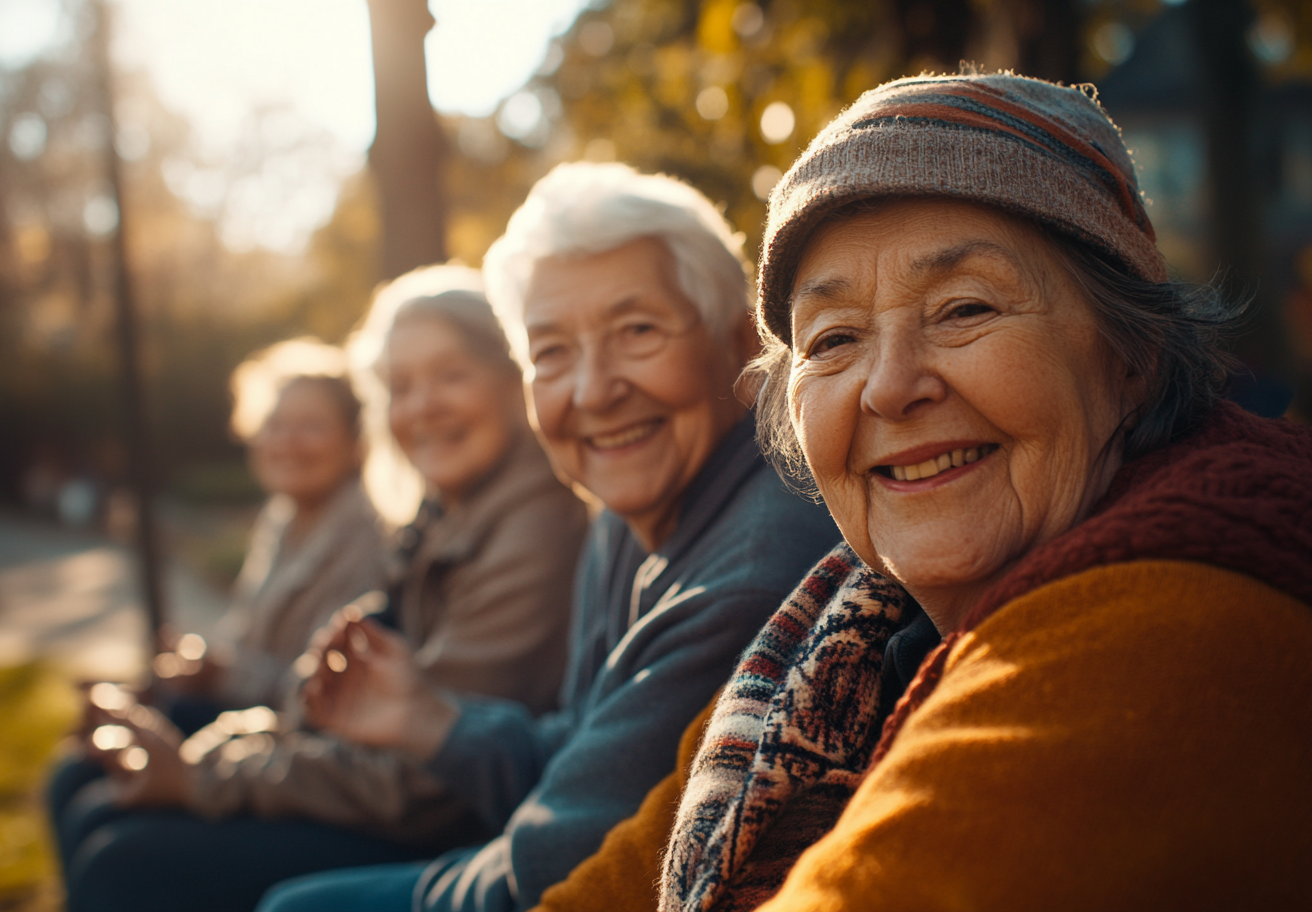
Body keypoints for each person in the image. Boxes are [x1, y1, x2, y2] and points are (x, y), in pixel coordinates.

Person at [649, 72, 1312, 911]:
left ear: (1132, 358)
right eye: (836, 338)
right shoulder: (830, 642)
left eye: (964, 309)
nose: (889, 388)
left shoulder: (1180, 624)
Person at [255, 162, 841, 912]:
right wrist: (430, 718)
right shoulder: (631, 506)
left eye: (637, 331)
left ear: (738, 345)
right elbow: (578, 760)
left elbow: (553, 874)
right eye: (552, 352)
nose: (593, 391)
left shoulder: (747, 573)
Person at [57, 266, 589, 912]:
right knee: (95, 812)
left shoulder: (527, 530)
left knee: (123, 859)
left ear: (515, 378)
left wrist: (205, 775)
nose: (422, 405)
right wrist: (215, 745)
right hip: (374, 789)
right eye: (400, 386)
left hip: (448, 828)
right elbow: (318, 697)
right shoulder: (444, 515)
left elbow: (421, 782)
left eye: (452, 375)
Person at [48, 337, 389, 867]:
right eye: (274, 425)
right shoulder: (282, 521)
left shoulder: (371, 540)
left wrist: (223, 673)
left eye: (311, 425)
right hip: (246, 721)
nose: (287, 442)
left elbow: (320, 697)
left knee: (108, 835)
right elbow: (246, 638)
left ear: (356, 440)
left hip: (296, 750)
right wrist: (190, 669)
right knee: (74, 775)